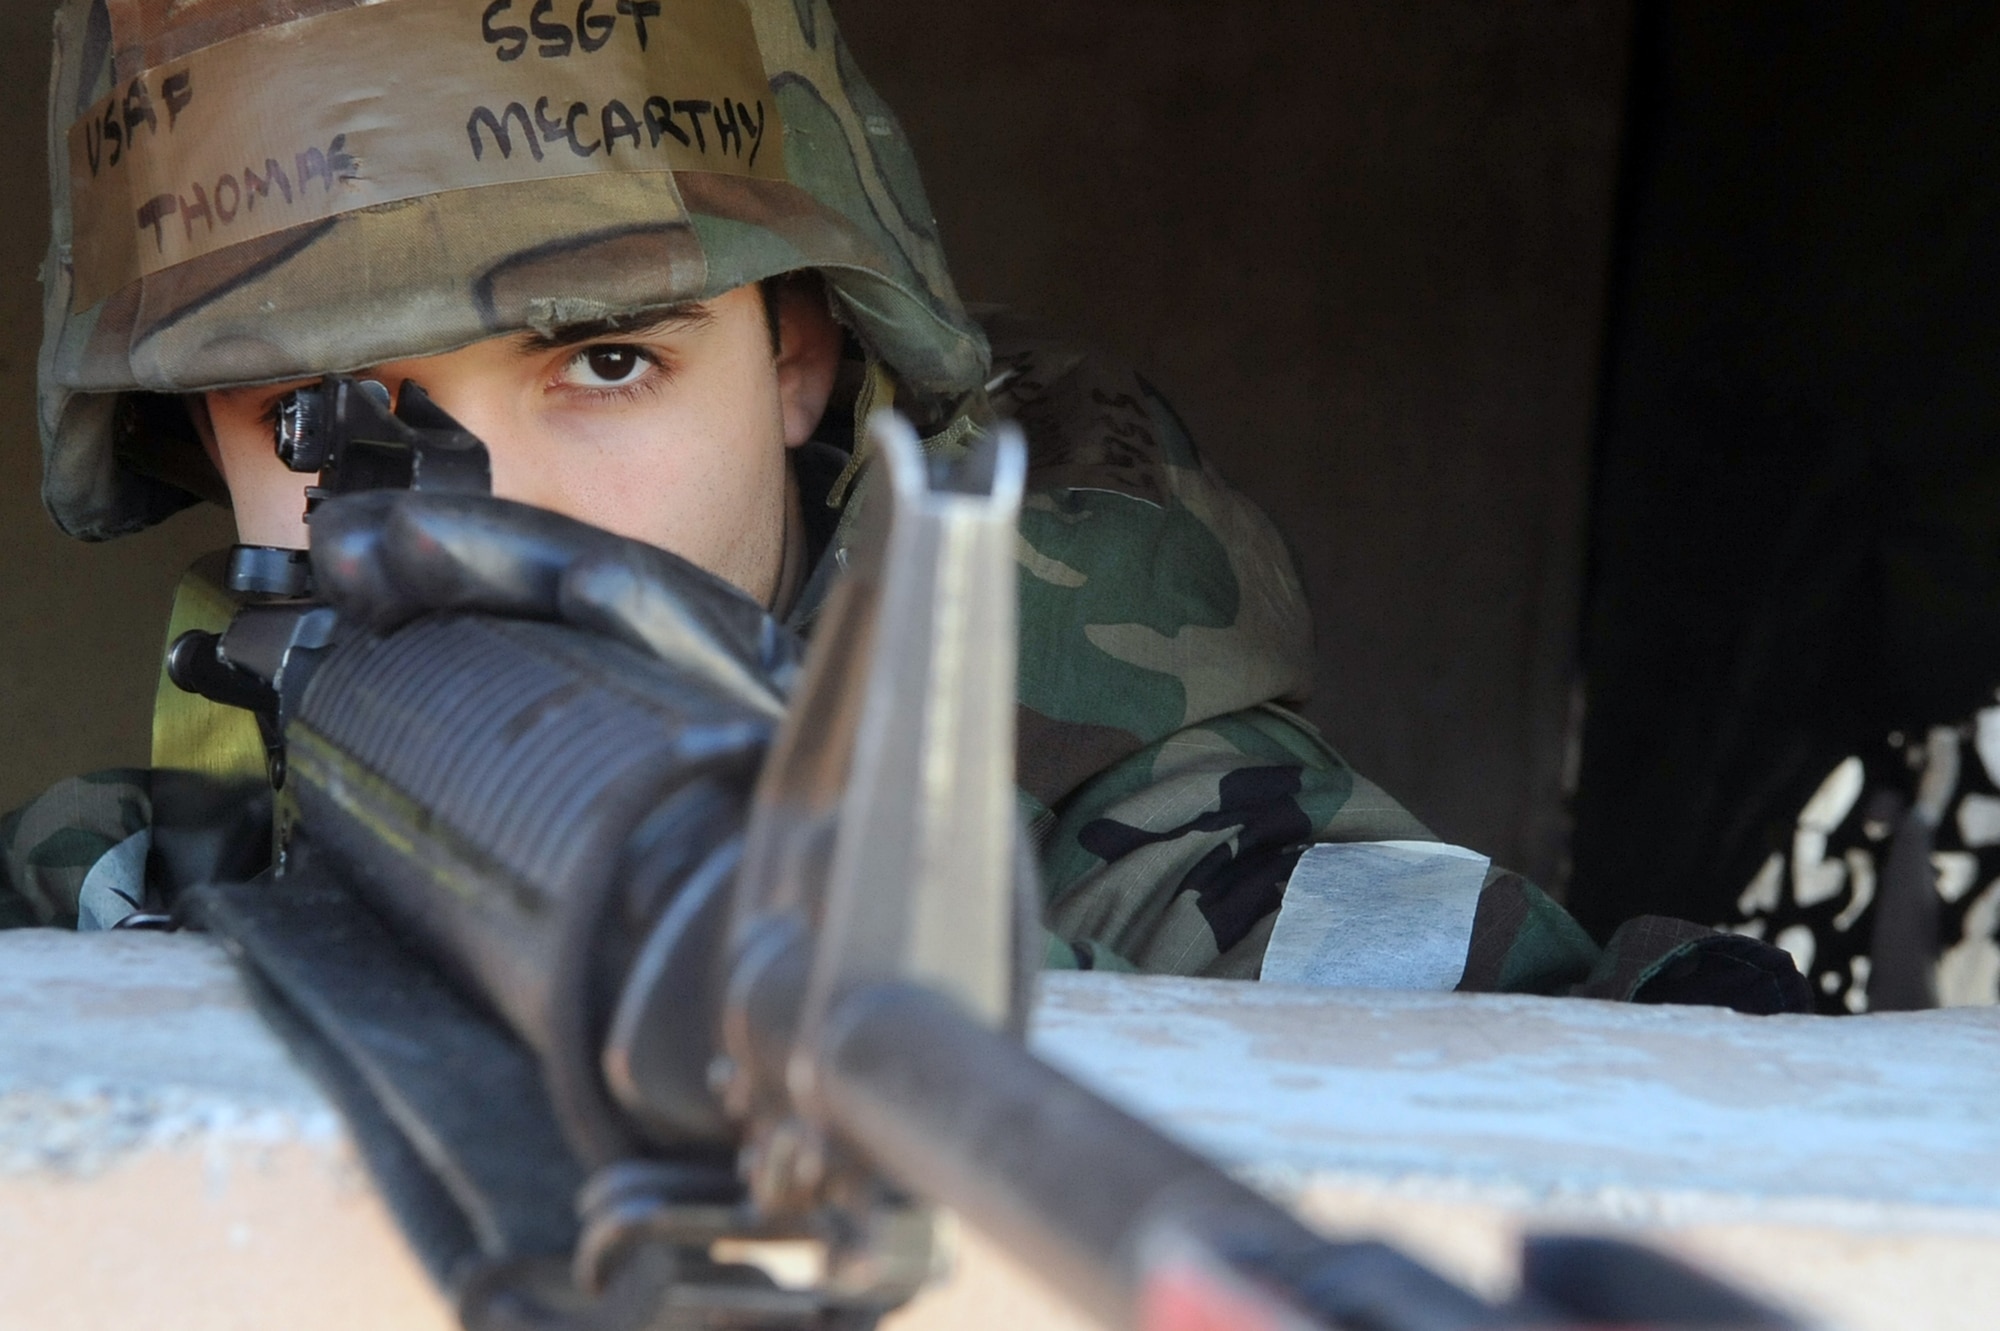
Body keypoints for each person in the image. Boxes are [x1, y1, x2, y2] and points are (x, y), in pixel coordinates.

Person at [2, 0, 1805, 1009]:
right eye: (336, 425)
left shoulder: (1130, 837)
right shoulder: (135, 861)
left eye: (608, 365)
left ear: (800, 359)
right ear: (200, 442)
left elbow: (1458, 1031)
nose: (503, 522)